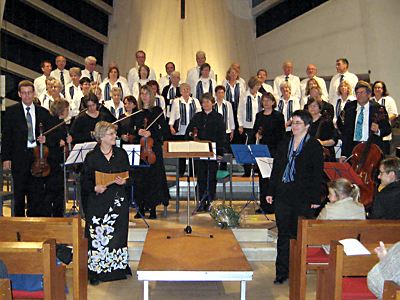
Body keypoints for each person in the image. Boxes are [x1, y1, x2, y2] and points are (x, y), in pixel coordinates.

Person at [266, 110, 324, 284]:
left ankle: (298, 271)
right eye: (292, 122)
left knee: (298, 235)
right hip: (283, 192)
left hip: (302, 195)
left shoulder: (313, 145)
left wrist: (315, 199)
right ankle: (281, 272)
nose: (294, 126)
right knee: (283, 234)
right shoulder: (285, 143)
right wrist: (270, 191)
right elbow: (276, 169)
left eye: (298, 123)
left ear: (307, 125)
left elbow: (317, 173)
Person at [81, 121, 132, 285]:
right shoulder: (91, 157)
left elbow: (130, 176)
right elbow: (84, 181)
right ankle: (96, 271)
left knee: (118, 234)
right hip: (98, 201)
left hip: (117, 200)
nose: (114, 136)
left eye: (114, 134)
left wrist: (124, 182)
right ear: (101, 137)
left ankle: (118, 267)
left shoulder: (121, 154)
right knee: (98, 236)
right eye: (111, 134)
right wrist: (95, 187)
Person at [2, 80, 50, 216]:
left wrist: (46, 139)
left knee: (36, 195)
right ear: (19, 94)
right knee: (19, 195)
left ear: (34, 93)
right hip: (19, 158)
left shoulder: (43, 112)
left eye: (29, 93)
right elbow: (7, 137)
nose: (27, 96)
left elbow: (51, 134)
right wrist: (6, 158)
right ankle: (19, 226)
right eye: (23, 93)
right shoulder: (11, 112)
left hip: (37, 158)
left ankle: (34, 224)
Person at [131, 85, 169, 219]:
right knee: (140, 179)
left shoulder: (157, 111)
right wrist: (138, 131)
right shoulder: (137, 112)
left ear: (151, 96)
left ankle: (152, 208)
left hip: (153, 149)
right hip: (141, 149)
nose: (144, 96)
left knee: (153, 178)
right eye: (142, 93)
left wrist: (151, 132)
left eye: (147, 93)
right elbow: (132, 130)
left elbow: (164, 131)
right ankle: (140, 207)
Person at [185, 93, 227, 211]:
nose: (205, 104)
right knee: (201, 176)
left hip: (212, 150)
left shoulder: (218, 117)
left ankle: (210, 201)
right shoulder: (197, 116)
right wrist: (192, 137)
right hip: (199, 150)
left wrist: (219, 152)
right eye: (203, 102)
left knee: (211, 177)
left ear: (212, 103)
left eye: (208, 102)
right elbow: (189, 131)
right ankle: (201, 201)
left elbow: (222, 136)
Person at [337, 80, 391, 161]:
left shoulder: (378, 108)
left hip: (371, 147)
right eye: (357, 93)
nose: (359, 95)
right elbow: (342, 126)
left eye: (361, 92)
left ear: (369, 94)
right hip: (353, 148)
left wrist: (378, 131)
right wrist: (344, 154)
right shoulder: (349, 106)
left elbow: (387, 129)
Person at [253, 92, 285, 214]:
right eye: (264, 100)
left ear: (273, 102)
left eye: (268, 100)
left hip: (274, 150)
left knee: (273, 178)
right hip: (261, 150)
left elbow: (281, 135)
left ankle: (273, 205)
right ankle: (263, 205)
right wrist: (256, 135)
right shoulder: (259, 115)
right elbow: (255, 130)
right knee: (263, 179)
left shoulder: (278, 116)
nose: (265, 103)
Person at [45, 99, 72, 217]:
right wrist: (58, 142)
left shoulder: (62, 124)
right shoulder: (52, 122)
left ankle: (59, 213)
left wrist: (68, 140)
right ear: (62, 110)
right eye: (67, 109)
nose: (68, 111)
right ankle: (55, 214)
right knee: (53, 189)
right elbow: (48, 139)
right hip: (51, 161)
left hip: (59, 160)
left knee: (59, 189)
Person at [169, 83, 201, 176]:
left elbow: (199, 115)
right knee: (181, 153)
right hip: (180, 130)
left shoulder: (195, 101)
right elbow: (173, 114)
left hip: (192, 131)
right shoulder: (176, 101)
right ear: (180, 91)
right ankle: (181, 172)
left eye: (187, 89)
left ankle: (192, 172)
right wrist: (171, 126)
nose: (186, 91)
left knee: (192, 152)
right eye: (183, 89)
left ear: (190, 90)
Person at [237, 76, 263, 177]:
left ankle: (258, 169)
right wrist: (240, 125)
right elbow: (240, 111)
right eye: (257, 85)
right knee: (247, 148)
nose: (259, 87)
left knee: (258, 148)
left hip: (258, 126)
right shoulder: (244, 96)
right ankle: (247, 170)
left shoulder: (260, 96)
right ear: (252, 85)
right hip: (248, 126)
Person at [371, 81, 398, 155]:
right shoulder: (370, 100)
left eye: (379, 87)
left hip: (384, 132)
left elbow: (394, 114)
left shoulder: (389, 99)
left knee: (383, 155)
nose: (377, 89)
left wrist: (383, 120)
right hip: (372, 133)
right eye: (375, 87)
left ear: (383, 89)